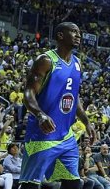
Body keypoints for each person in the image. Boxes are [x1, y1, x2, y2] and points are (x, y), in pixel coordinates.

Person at [19, 22, 95, 189]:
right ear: (60, 35)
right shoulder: (46, 60)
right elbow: (28, 93)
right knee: (29, 185)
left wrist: (86, 121)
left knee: (73, 183)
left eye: (79, 32)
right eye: (74, 32)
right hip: (42, 136)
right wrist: (40, 115)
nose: (78, 35)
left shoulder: (77, 63)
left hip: (66, 136)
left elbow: (74, 97)